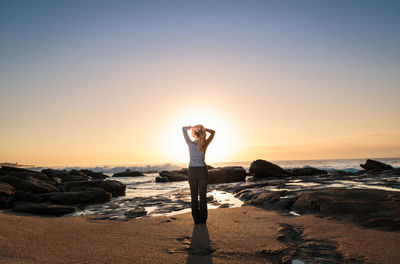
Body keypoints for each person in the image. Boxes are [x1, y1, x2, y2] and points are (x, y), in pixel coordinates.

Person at [182, 124, 215, 224]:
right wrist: (204, 129)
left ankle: (196, 220)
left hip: (192, 171)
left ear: (194, 134)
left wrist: (192, 127)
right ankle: (203, 220)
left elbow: (183, 129)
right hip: (202, 171)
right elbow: (213, 132)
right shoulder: (204, 144)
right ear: (202, 133)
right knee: (203, 197)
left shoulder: (190, 144)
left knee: (194, 197)